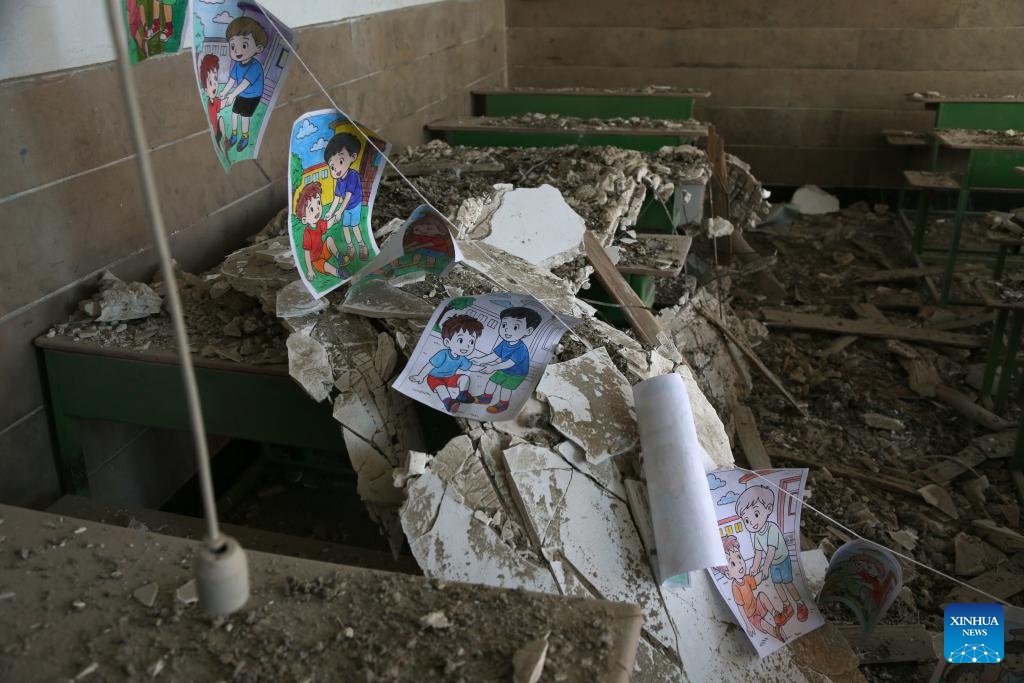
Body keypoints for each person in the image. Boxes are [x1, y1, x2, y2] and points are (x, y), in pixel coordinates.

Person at [735, 485, 809, 625]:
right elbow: (758, 553)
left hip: (782, 560)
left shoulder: (772, 528)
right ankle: (787, 606)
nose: (752, 523)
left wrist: (764, 567)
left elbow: (771, 550)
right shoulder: (757, 535)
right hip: (773, 564)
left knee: (788, 583)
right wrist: (755, 567)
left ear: (768, 509)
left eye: (756, 514)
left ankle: (800, 604)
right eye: (747, 520)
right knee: (777, 585)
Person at [409, 314, 483, 413]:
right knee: (441, 388)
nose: (467, 346)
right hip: (435, 378)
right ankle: (448, 402)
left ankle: (463, 394)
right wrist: (420, 376)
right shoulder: (443, 354)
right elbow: (430, 365)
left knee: (464, 377)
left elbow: (470, 367)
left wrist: (480, 368)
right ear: (447, 342)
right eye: (461, 340)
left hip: (450, 378)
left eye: (471, 342)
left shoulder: (462, 358)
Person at [474, 306, 540, 414]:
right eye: (504, 325)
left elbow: (510, 363)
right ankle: (486, 398)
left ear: (528, 331)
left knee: (505, 388)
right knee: (492, 381)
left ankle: (503, 404)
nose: (507, 330)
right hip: (504, 369)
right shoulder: (504, 343)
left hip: (517, 374)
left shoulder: (521, 349)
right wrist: (480, 360)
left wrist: (493, 367)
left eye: (515, 327)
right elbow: (494, 355)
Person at [719, 535, 785, 641]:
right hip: (752, 617)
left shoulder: (746, 578)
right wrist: (748, 625)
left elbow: (756, 580)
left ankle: (775, 614)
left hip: (758, 606)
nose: (740, 564)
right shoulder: (735, 587)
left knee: (762, 596)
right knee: (763, 624)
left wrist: (763, 572)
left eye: (739, 557)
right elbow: (740, 609)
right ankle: (776, 633)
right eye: (733, 564)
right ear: (728, 574)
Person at [220, 17, 267, 153]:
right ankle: (234, 135)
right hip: (242, 94)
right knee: (235, 113)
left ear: (258, 48)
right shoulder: (237, 64)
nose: (237, 50)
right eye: (233, 46)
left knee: (245, 117)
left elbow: (244, 84)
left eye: (244, 46)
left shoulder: (255, 66)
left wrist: (232, 95)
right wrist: (224, 92)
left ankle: (245, 137)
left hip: (252, 96)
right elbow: (232, 80)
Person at [322, 132, 368, 262]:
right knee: (345, 227)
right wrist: (330, 212)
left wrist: (339, 211)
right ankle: (350, 247)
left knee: (354, 226)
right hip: (346, 208)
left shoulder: (353, 175)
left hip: (354, 205)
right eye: (332, 167)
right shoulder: (339, 181)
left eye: (341, 161)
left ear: (353, 157)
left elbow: (348, 196)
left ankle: (362, 245)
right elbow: (337, 198)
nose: (336, 169)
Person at [295, 182, 345, 283]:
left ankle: (339, 257)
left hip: (323, 251)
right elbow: (306, 253)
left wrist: (335, 218)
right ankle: (338, 272)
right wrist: (310, 270)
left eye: (318, 203)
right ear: (304, 220)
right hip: (316, 260)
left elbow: (328, 224)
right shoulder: (307, 233)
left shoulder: (319, 223)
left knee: (329, 239)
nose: (317, 209)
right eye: (311, 209)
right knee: (326, 266)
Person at [197, 54, 228, 150]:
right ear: (206, 90)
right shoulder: (209, 103)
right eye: (210, 82)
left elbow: (222, 104)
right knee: (220, 120)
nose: (214, 85)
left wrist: (228, 98)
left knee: (221, 119)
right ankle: (221, 142)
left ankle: (225, 139)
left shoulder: (215, 100)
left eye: (215, 79)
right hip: (214, 131)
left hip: (217, 129)